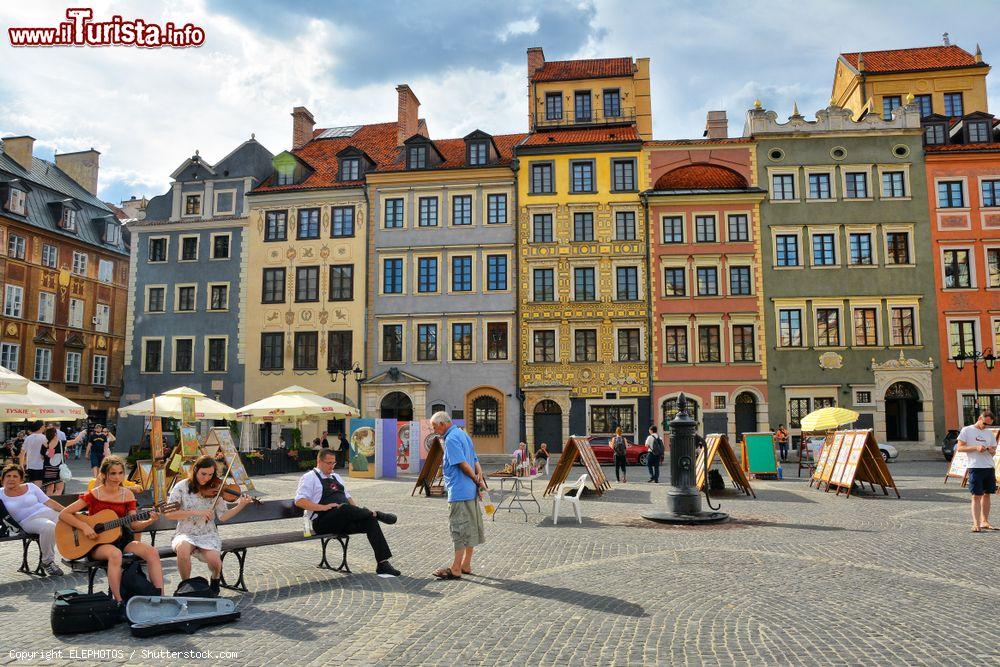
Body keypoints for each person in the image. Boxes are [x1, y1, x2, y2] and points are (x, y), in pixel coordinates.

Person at [59, 455, 164, 602]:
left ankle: (160, 597)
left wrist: (149, 520)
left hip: (122, 539)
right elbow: (64, 514)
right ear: (104, 474)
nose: (117, 477)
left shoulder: (127, 494)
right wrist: (84, 527)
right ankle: (119, 601)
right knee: (115, 554)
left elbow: (134, 525)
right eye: (113, 473)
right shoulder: (94, 494)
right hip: (97, 543)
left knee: (152, 552)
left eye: (120, 473)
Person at [294, 449, 400, 576]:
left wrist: (359, 515)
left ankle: (383, 564)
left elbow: (348, 498)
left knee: (369, 521)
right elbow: (299, 501)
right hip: (323, 522)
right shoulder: (309, 477)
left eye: (334, 463)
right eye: (329, 463)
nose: (332, 466)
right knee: (343, 508)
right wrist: (323, 507)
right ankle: (376, 514)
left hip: (343, 519)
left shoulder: (336, 477)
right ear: (319, 461)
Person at [165, 455, 253, 594]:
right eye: (203, 474)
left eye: (210, 475)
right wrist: (196, 512)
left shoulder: (215, 488)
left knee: (216, 563)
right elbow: (169, 514)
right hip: (185, 532)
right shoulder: (182, 487)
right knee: (182, 550)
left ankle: (215, 579)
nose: (206, 478)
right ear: (195, 470)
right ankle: (185, 586)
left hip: (207, 533)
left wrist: (240, 505)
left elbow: (223, 516)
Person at [432, 411, 484, 580]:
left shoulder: (451, 439)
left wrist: (475, 479)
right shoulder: (463, 433)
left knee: (459, 528)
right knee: (470, 527)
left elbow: (462, 464)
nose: (434, 430)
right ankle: (466, 564)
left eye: (434, 426)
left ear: (443, 423)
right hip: (469, 490)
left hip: (459, 490)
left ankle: (456, 568)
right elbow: (475, 460)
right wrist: (479, 477)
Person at [0, 463, 66, 575]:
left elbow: (49, 502)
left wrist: (68, 511)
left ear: (21, 479)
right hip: (28, 521)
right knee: (49, 526)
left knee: (72, 521)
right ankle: (48, 561)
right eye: (8, 476)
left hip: (48, 513)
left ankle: (76, 557)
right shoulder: (0, 494)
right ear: (2, 479)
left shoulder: (31, 487)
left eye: (15, 476)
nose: (11, 479)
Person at [956, 411, 997, 533]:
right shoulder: (967, 430)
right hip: (975, 467)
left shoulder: (989, 433)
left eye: (988, 425)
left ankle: (985, 521)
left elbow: (994, 451)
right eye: (984, 423)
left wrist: (990, 450)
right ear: (979, 418)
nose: (985, 426)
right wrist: (975, 447)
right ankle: (976, 523)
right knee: (976, 496)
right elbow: (959, 448)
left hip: (989, 467)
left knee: (987, 494)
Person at [18, 421, 48, 488]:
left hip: (30, 466)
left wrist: (21, 466)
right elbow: (50, 452)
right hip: (41, 465)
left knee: (31, 486)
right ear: (41, 427)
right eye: (44, 426)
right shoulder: (45, 438)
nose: (45, 427)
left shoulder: (28, 438)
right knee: (38, 488)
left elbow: (22, 453)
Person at [40, 427, 67, 496]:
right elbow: (75, 440)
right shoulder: (61, 443)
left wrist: (50, 447)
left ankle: (48, 504)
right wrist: (82, 434)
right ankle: (53, 504)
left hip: (48, 469)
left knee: (49, 490)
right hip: (58, 469)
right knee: (59, 490)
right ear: (55, 434)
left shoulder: (44, 444)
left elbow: (44, 457)